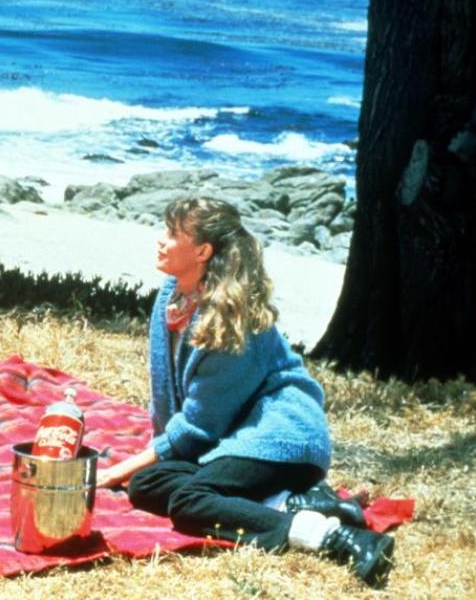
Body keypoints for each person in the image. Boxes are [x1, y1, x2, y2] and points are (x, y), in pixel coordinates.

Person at [96, 196, 395, 587]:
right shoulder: (171, 295)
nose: (160, 241)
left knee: (188, 502)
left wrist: (112, 471)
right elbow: (170, 402)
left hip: (280, 436)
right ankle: (296, 501)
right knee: (146, 485)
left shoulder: (226, 320)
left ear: (202, 251)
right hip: (235, 437)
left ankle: (333, 536)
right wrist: (146, 462)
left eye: (172, 234)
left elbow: (197, 428)